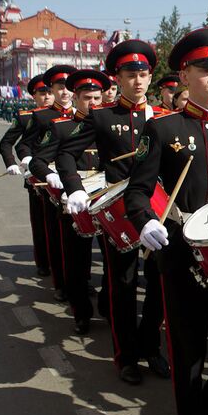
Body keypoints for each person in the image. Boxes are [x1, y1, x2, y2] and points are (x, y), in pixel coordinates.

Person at [124, 28, 208, 415]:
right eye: (205, 69)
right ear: (184, 77)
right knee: (189, 349)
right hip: (181, 253)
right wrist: (145, 222)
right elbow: (138, 192)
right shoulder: (163, 129)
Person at [56, 40, 169, 385]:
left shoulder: (165, 118)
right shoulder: (102, 116)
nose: (138, 81)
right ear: (117, 77)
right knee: (122, 285)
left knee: (159, 287)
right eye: (130, 74)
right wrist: (75, 187)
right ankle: (126, 356)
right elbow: (64, 154)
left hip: (160, 212)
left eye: (144, 74)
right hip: (119, 211)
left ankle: (151, 346)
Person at [29, 69, 106, 335]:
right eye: (87, 98)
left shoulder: (108, 125)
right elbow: (38, 160)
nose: (93, 104)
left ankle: (107, 304)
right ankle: (81, 313)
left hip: (107, 201)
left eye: (98, 97)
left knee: (114, 259)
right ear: (76, 97)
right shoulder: (61, 127)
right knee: (77, 262)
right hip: (75, 202)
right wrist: (52, 176)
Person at [20, 65, 78, 300]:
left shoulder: (85, 114)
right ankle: (62, 282)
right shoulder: (42, 116)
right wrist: (28, 160)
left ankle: (79, 281)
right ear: (52, 90)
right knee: (56, 233)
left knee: (80, 235)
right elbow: (24, 144)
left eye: (67, 87)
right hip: (50, 182)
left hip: (78, 183)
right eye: (59, 88)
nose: (64, 92)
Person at [0, 74, 54, 277]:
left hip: (60, 174)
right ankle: (43, 262)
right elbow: (7, 143)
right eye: (42, 93)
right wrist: (13, 163)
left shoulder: (64, 115)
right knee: (41, 223)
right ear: (34, 95)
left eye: (50, 92)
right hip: (36, 176)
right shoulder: (26, 117)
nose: (47, 96)